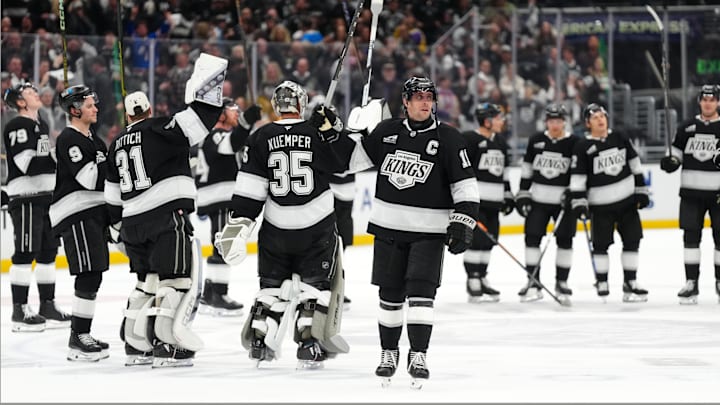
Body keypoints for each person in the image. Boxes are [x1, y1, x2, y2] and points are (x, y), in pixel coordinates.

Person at [334, 77, 479, 387]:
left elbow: (466, 186)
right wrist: (347, 133)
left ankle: (418, 354)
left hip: (429, 233)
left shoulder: (449, 139)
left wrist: (463, 222)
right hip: (388, 229)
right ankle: (388, 354)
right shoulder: (387, 132)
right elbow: (347, 163)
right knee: (389, 296)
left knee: (421, 294)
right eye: (418, 97)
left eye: (429, 96)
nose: (425, 102)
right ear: (406, 101)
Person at [104, 53, 229, 368]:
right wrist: (207, 82)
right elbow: (203, 118)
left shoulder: (116, 144)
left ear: (128, 116)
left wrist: (117, 231)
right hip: (165, 218)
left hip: (131, 224)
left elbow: (111, 197)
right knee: (175, 281)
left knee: (146, 282)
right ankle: (166, 345)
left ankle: (135, 345)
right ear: (148, 110)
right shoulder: (161, 127)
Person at [215, 80, 349, 370]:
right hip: (316, 226)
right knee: (314, 289)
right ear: (301, 104)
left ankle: (260, 339)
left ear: (275, 106)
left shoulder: (261, 136)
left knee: (271, 288)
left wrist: (240, 223)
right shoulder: (315, 134)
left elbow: (250, 190)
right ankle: (309, 343)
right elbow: (346, 162)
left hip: (275, 228)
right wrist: (334, 130)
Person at [2, 81, 70, 332]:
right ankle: (19, 309)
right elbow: (27, 164)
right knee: (25, 252)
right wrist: (56, 155)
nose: (36, 94)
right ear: (20, 102)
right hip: (27, 196)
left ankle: (47, 305)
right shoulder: (18, 125)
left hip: (45, 196)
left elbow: (43, 161)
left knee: (47, 253)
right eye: (30, 93)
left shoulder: (40, 124)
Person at [50, 84, 110, 361]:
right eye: (88, 105)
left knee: (94, 272)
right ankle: (77, 337)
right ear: (74, 110)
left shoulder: (95, 141)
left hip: (92, 212)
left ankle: (82, 332)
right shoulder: (69, 139)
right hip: (76, 212)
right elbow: (89, 180)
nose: (95, 108)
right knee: (88, 273)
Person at [568, 103, 650, 302]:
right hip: (600, 206)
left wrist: (641, 190)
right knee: (601, 244)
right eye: (595, 117)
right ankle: (602, 280)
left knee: (632, 241)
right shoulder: (582, 146)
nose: (600, 120)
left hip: (627, 203)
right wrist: (579, 202)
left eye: (602, 116)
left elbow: (634, 164)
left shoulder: (619, 137)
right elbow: (578, 177)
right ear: (588, 123)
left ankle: (630, 281)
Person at [196, 97, 261, 316]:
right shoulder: (216, 134)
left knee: (221, 245)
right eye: (233, 110)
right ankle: (218, 295)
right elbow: (231, 145)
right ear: (221, 114)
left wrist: (247, 127)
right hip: (219, 197)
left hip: (219, 196)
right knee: (225, 246)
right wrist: (246, 123)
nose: (238, 113)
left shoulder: (216, 135)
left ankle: (209, 294)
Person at [660, 84, 720, 304]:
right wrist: (670, 162)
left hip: (717, 194)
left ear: (718, 102)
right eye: (704, 100)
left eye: (712, 99)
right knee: (691, 238)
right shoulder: (686, 127)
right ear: (699, 102)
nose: (708, 103)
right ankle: (691, 282)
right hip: (691, 194)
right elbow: (675, 154)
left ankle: (719, 280)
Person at [515, 104, 578, 303]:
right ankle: (533, 281)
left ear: (564, 122)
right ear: (546, 122)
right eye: (551, 121)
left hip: (563, 204)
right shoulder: (536, 141)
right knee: (532, 239)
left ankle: (562, 281)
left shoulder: (574, 142)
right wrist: (523, 193)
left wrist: (573, 191)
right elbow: (527, 168)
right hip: (539, 201)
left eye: (558, 121)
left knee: (565, 241)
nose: (555, 125)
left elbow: (578, 171)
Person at [460, 103, 513, 303]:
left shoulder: (501, 142)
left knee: (489, 241)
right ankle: (472, 278)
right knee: (476, 241)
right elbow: (461, 171)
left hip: (494, 203)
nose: (502, 122)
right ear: (487, 120)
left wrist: (508, 195)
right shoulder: (469, 140)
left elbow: (505, 173)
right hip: (476, 202)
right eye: (498, 118)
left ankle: (482, 276)